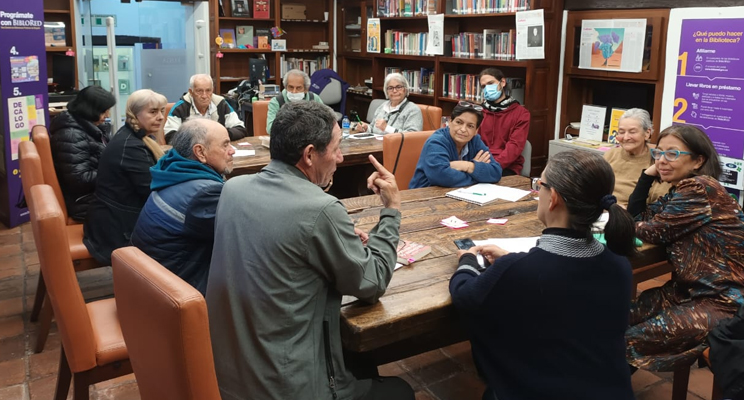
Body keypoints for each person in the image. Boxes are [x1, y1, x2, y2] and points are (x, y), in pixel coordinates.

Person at [206, 101, 414, 400]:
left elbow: (277, 240)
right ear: (309, 154)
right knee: (400, 391)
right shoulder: (321, 209)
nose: (340, 158)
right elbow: (373, 282)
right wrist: (392, 209)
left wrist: (330, 235)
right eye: (336, 147)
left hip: (232, 370)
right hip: (289, 384)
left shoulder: (233, 189)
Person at [451, 150, 636, 400]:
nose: (538, 191)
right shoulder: (619, 264)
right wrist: (512, 263)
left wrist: (468, 260)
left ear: (553, 199)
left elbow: (465, 295)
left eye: (540, 185)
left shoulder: (520, 271)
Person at [626, 124, 744, 372]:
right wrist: (648, 175)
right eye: (658, 153)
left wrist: (621, 218)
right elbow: (638, 216)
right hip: (687, 292)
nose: (661, 161)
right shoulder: (679, 192)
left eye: (672, 153)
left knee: (629, 339)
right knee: (621, 317)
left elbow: (653, 231)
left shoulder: (700, 188)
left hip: (723, 301)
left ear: (698, 160)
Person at [131, 119, 234, 295]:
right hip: (176, 294)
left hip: (149, 285)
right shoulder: (204, 194)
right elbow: (244, 236)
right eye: (225, 145)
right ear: (200, 152)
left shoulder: (172, 171)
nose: (232, 151)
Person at [83, 89, 167, 266]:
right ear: (134, 115)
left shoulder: (131, 136)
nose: (160, 117)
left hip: (115, 215)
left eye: (161, 111)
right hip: (116, 228)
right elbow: (152, 190)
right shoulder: (131, 147)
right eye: (153, 112)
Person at [48, 85, 116, 221]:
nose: (107, 116)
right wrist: (116, 171)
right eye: (104, 112)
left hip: (96, 195)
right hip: (86, 202)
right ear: (89, 110)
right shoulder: (71, 135)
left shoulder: (89, 127)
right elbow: (80, 179)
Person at [409, 101, 502, 189]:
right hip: (424, 196)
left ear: (476, 131)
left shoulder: (475, 140)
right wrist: (477, 174)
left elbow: (496, 172)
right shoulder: (436, 142)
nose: (463, 129)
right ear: (450, 122)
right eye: (459, 122)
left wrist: (467, 166)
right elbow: (441, 177)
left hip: (460, 195)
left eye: (470, 126)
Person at [603, 108, 671, 208]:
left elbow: (658, 198)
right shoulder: (611, 154)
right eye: (621, 132)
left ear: (647, 133)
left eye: (632, 132)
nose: (626, 137)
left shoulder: (657, 160)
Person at [478, 68, 530, 176]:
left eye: (490, 83)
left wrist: (494, 165)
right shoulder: (478, 112)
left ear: (502, 82)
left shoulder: (521, 113)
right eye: (483, 86)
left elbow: (515, 146)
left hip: (506, 167)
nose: (487, 88)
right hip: (479, 163)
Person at [165, 73, 246, 143]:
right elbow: (170, 135)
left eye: (208, 90)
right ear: (191, 92)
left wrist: (221, 135)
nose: (204, 96)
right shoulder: (180, 107)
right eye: (199, 91)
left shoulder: (221, 103)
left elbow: (240, 129)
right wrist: (199, 139)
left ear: (212, 90)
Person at [354, 72, 423, 135]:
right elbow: (372, 128)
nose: (395, 91)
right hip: (376, 145)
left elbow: (413, 136)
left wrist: (387, 128)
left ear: (405, 89)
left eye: (398, 87)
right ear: (386, 91)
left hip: (396, 147)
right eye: (390, 88)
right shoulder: (382, 107)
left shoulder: (413, 110)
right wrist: (366, 128)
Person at [266, 69, 324, 134]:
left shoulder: (314, 98)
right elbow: (270, 129)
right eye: (290, 87)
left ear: (306, 89)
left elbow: (326, 122)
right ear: (285, 87)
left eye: (298, 88)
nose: (294, 91)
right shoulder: (276, 102)